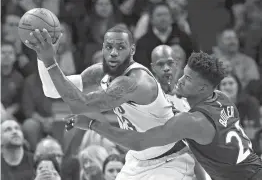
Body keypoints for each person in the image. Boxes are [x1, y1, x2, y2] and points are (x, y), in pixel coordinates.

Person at [26, 25, 198, 179]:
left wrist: (50, 62)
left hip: (172, 160)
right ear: (103, 49)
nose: (114, 53)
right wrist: (43, 57)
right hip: (137, 159)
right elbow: (52, 90)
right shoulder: (100, 73)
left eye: (121, 47)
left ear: (132, 50)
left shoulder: (135, 82)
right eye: (109, 47)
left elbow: (79, 105)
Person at [66, 52, 262, 180]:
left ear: (202, 87)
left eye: (188, 79)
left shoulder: (192, 122)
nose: (181, 80)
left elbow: (139, 142)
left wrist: (93, 124)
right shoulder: (222, 98)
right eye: (184, 74)